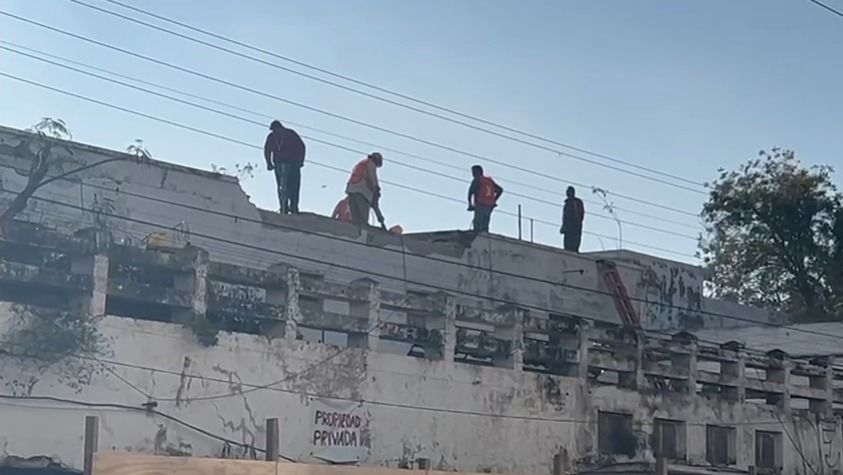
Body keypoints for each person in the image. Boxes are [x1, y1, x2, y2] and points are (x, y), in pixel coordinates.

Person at [264, 120, 305, 214]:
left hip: (293, 164)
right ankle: (284, 207)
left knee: (293, 186)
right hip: (279, 164)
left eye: (275, 130)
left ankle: (294, 207)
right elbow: (267, 150)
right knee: (282, 186)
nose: (274, 132)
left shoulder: (290, 134)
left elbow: (302, 147)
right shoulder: (271, 137)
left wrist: (300, 161)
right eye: (273, 130)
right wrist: (269, 163)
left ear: (280, 128)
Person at [345, 152, 384, 227]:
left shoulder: (362, 163)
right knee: (363, 219)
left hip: (352, 190)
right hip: (362, 193)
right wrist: (376, 190)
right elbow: (372, 178)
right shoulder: (371, 164)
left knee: (355, 219)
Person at [467, 165, 503, 233]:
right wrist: (494, 200)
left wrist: (470, 204)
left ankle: (478, 237)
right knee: (485, 223)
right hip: (489, 206)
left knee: (477, 224)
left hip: (480, 204)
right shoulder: (489, 181)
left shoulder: (477, 180)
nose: (473, 174)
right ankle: (485, 236)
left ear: (478, 172)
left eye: (474, 172)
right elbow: (500, 190)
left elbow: (470, 192)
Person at [560, 186, 585, 252]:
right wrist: (563, 226)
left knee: (574, 244)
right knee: (567, 245)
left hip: (575, 226)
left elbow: (581, 214)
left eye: (569, 192)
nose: (568, 193)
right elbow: (564, 217)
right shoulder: (567, 203)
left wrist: (577, 223)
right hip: (568, 227)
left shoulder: (577, 202)